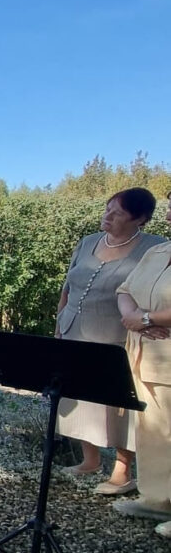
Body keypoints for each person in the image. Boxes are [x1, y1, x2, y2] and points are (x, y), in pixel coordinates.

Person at [55, 188, 165, 494]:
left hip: (117, 336)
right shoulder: (88, 241)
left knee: (119, 404)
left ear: (140, 219)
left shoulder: (154, 248)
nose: (108, 216)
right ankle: (89, 460)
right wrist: (59, 321)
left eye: (117, 213)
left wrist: (148, 321)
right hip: (74, 329)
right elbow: (68, 285)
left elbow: (155, 292)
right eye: (107, 209)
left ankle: (122, 471)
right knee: (77, 396)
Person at [113, 197, 171, 539]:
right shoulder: (158, 252)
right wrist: (134, 317)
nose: (169, 211)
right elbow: (125, 289)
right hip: (144, 353)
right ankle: (158, 499)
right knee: (153, 429)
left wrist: (147, 318)